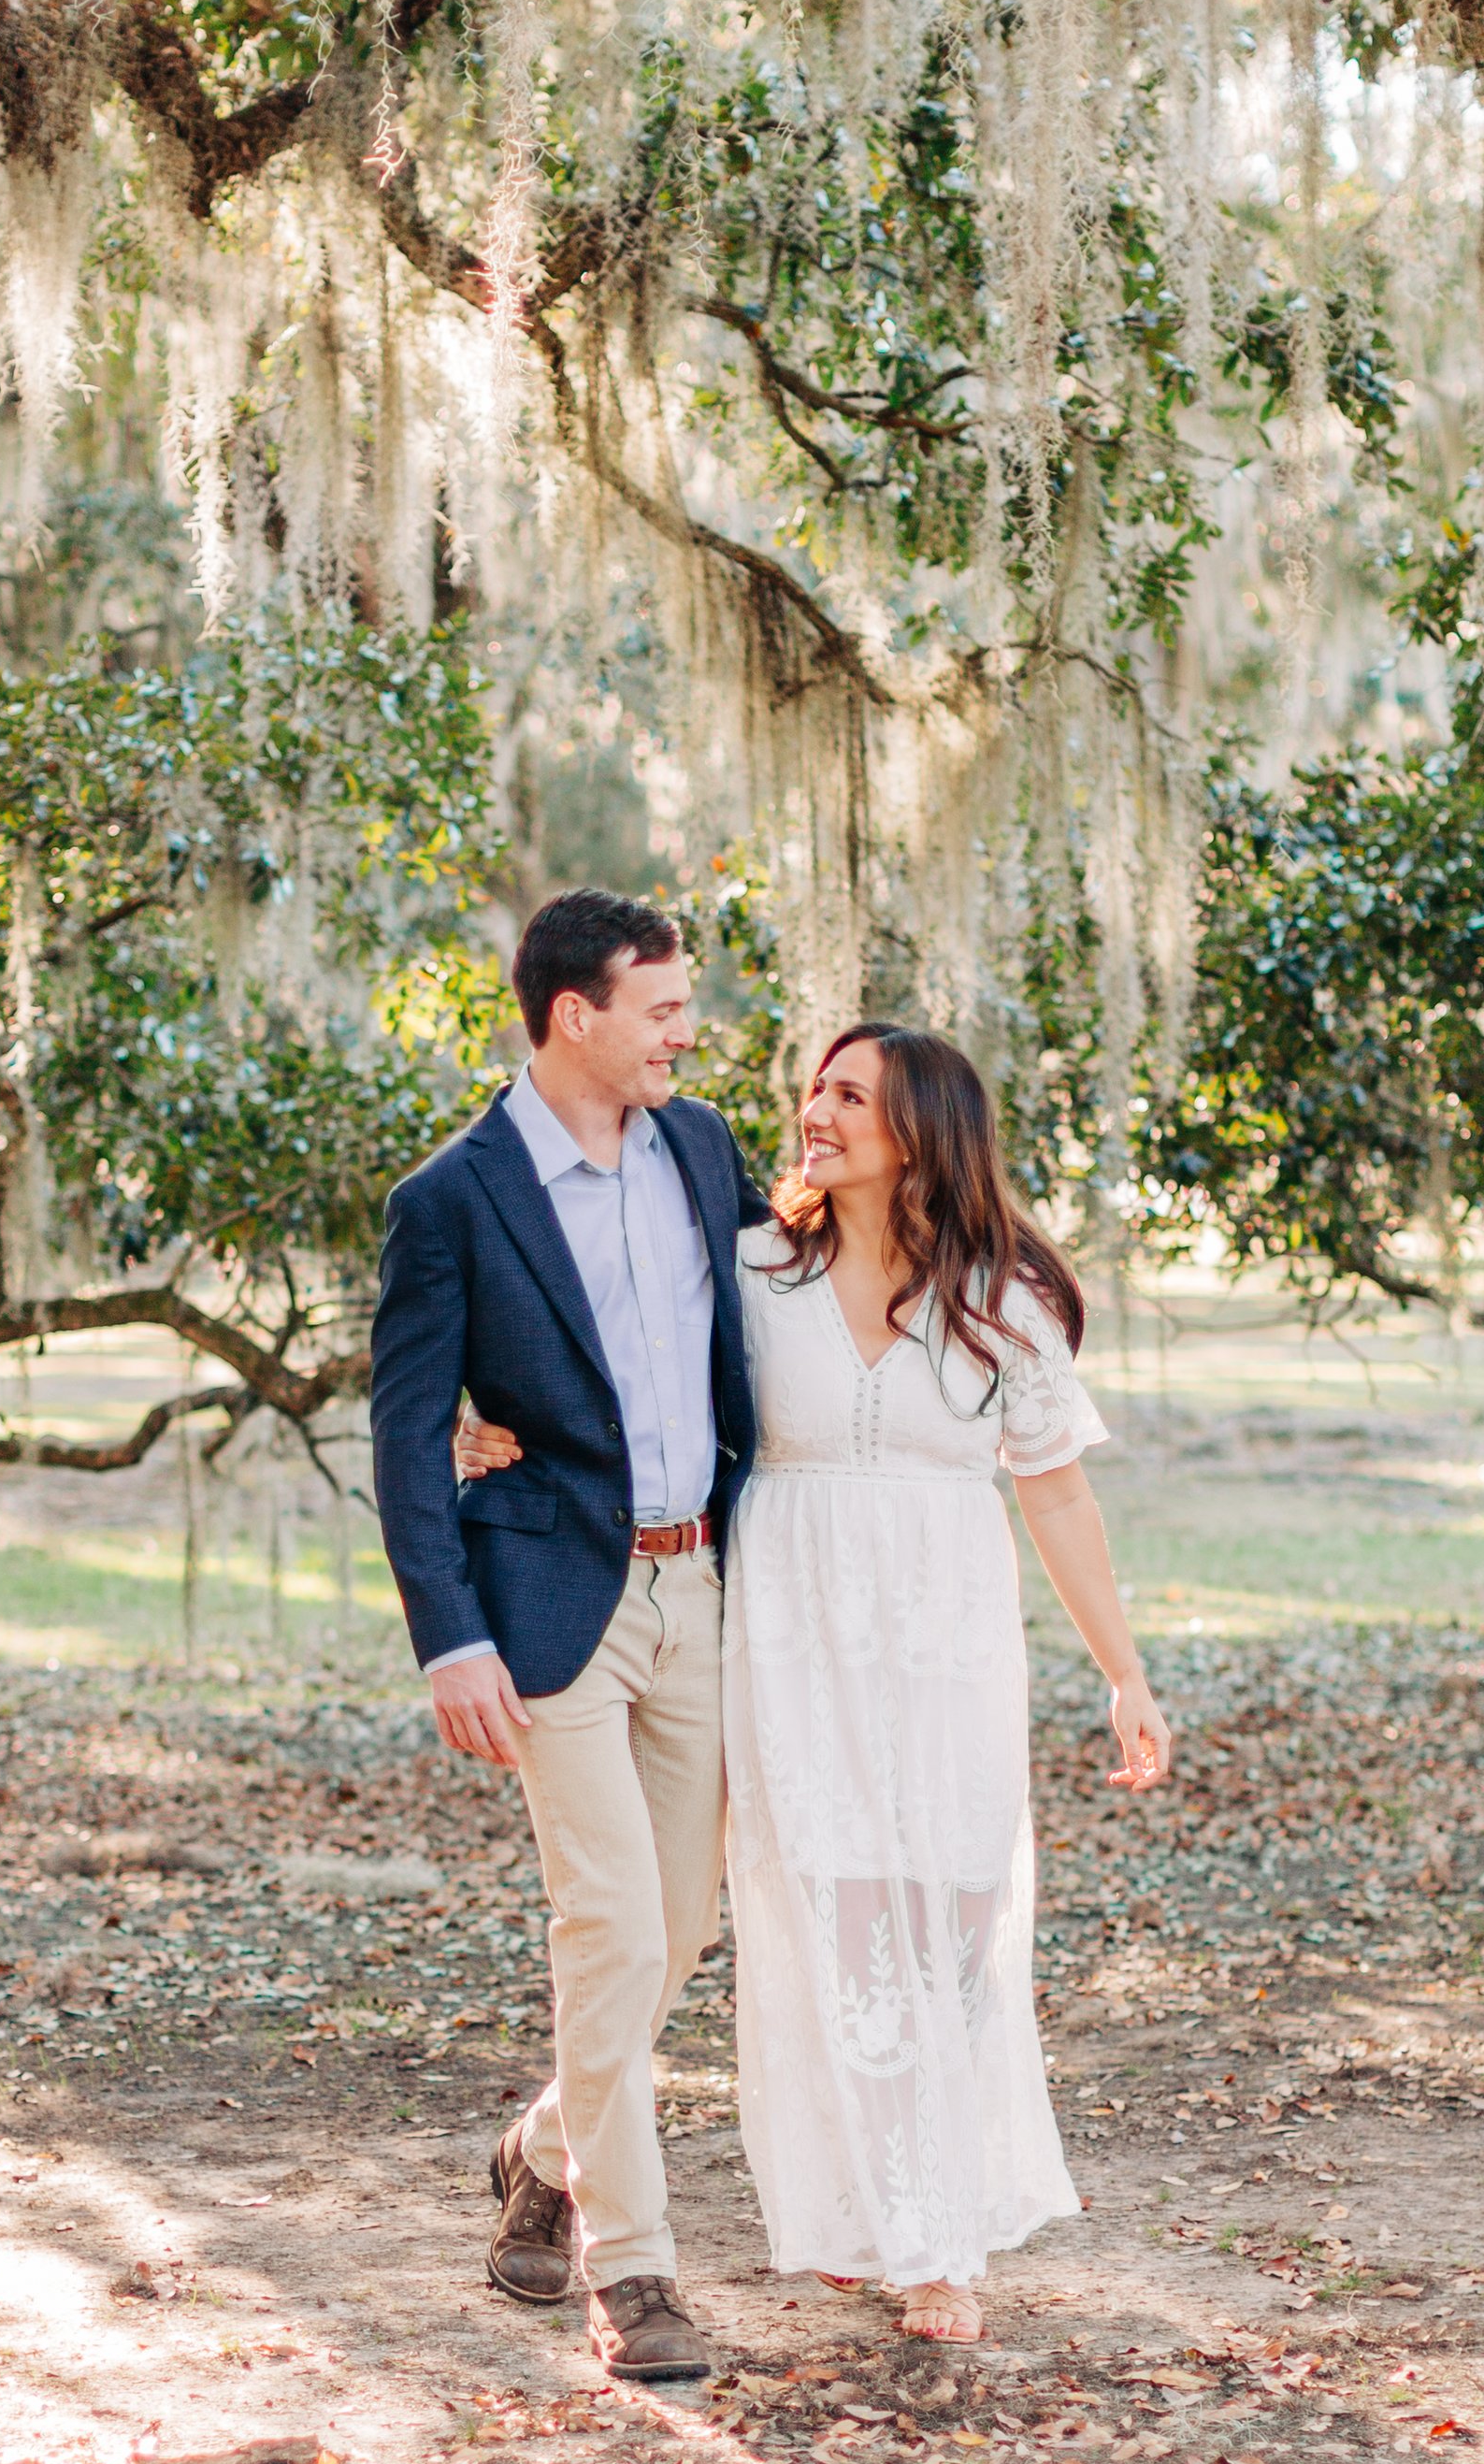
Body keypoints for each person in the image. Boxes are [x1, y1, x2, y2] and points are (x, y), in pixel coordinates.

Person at [462, 1021, 1172, 2346]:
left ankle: (574, 2141)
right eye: (816, 1087)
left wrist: (1123, 1673)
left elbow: (1060, 1494)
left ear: (920, 1132)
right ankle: (924, 2247)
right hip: (784, 1640)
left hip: (950, 1647)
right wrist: (481, 1408)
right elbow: (604, 1344)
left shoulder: (1001, 1297)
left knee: (954, 1936)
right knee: (840, 1931)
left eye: (851, 1094)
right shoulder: (752, 1269)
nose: (815, 1109)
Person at [369, 888, 771, 2383]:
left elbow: (784, 1313)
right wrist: (445, 1635)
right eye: (661, 1007)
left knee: (680, 1926)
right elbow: (411, 1436)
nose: (686, 1030)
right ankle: (637, 2268)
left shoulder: (703, 1147)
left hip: (706, 1588)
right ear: (574, 1016)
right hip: (548, 1608)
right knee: (608, 1920)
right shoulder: (453, 1201)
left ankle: (541, 2146)